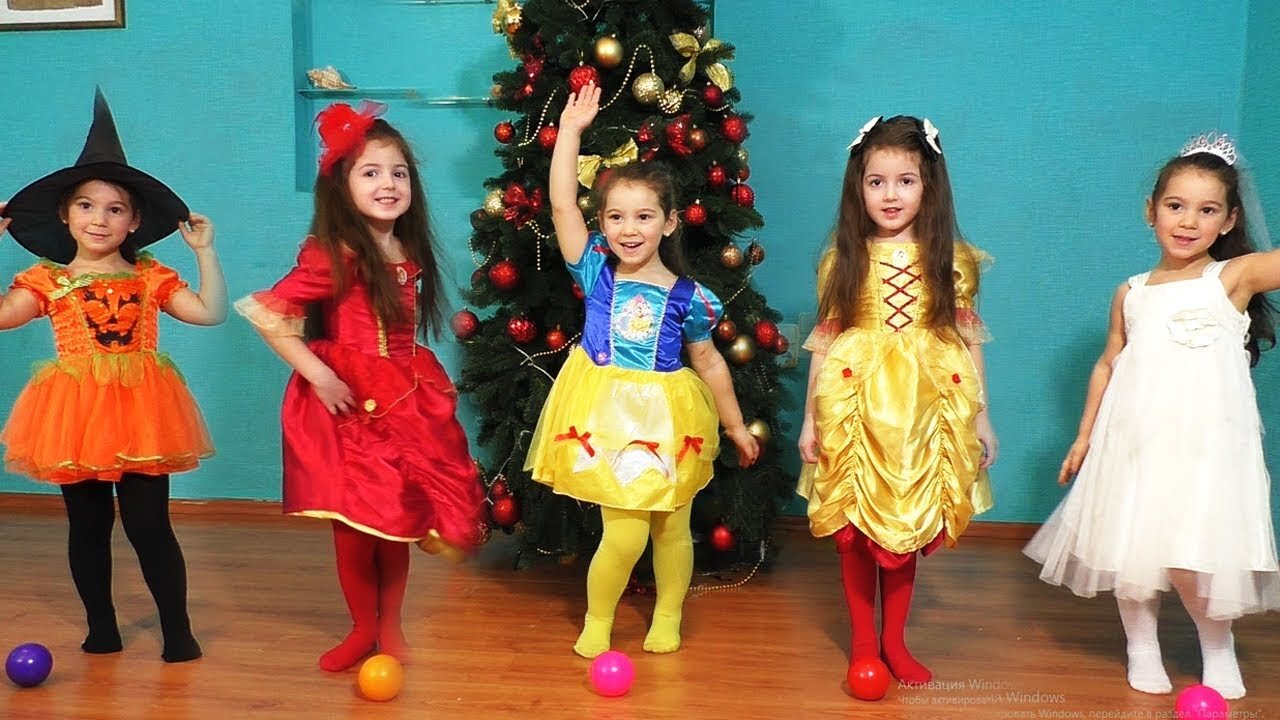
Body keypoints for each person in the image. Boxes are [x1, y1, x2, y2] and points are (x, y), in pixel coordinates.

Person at [1025, 133, 1280, 700]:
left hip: (1206, 445)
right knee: (1130, 548)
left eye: (1207, 210)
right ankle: (1142, 646)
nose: (1189, 221)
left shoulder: (1232, 278)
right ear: (1151, 211)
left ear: (1229, 219)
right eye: (1175, 205)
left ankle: (1218, 647)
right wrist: (1085, 435)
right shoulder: (1132, 291)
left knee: (1197, 555)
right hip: (1134, 440)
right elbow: (1108, 362)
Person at [236, 101, 485, 672]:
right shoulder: (334, 252)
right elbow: (269, 313)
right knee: (354, 531)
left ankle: (390, 628)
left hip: (405, 396)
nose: (388, 183)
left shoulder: (405, 248)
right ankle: (361, 629)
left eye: (398, 173)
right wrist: (318, 374)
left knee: (395, 524)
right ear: (342, 185)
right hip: (350, 405)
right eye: (370, 172)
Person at [525, 83, 760, 659]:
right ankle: (599, 619)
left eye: (645, 216)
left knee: (671, 528)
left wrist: (732, 426)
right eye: (616, 217)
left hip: (669, 418)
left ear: (670, 222)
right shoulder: (595, 273)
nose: (630, 229)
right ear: (601, 223)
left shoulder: (690, 297)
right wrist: (571, 134)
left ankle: (669, 612)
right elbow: (560, 205)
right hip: (606, 416)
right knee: (624, 531)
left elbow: (708, 362)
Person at [0, 88, 225, 663]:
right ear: (64, 214)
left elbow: (210, 313)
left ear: (135, 221)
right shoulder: (46, 281)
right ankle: (102, 627)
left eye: (115, 209)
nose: (99, 219)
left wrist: (205, 252)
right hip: (74, 413)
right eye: (86, 206)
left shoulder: (150, 275)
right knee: (88, 525)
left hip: (143, 411)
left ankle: (178, 630)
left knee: (150, 525)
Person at [797, 115, 997, 686]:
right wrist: (810, 418)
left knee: (904, 527)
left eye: (905, 181)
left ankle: (894, 643)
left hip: (923, 409)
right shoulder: (843, 257)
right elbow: (825, 342)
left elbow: (967, 340)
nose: (890, 194)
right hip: (854, 407)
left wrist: (982, 418)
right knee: (854, 529)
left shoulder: (952, 260)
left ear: (929, 185)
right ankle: (863, 644)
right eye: (876, 181)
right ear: (857, 187)